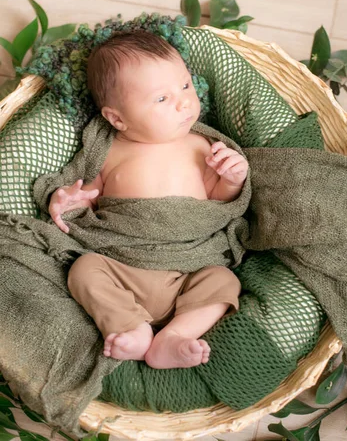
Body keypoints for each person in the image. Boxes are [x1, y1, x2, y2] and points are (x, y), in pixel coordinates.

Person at [49, 31, 249, 369]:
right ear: (117, 118)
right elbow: (87, 202)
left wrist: (233, 178)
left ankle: (174, 336)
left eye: (185, 86)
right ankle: (131, 328)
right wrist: (67, 201)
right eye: (162, 99)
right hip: (124, 266)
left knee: (224, 281)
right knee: (83, 270)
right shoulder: (106, 150)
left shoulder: (202, 145)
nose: (185, 102)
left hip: (188, 269)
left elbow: (218, 204)